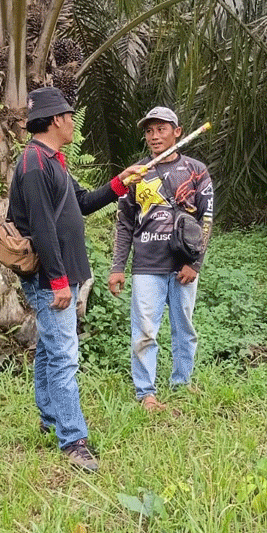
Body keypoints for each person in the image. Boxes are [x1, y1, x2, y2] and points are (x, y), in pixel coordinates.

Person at [6, 87, 142, 472]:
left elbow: (81, 203)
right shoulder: (35, 162)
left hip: (64, 274)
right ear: (55, 120)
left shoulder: (53, 160)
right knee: (64, 355)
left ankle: (50, 419)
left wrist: (120, 182)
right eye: (69, 116)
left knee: (51, 350)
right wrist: (58, 281)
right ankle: (73, 439)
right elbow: (42, 227)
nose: (72, 123)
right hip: (53, 278)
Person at [108, 106, 214, 412]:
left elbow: (207, 219)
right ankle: (147, 394)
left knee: (185, 330)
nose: (154, 136)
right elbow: (125, 223)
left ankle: (182, 383)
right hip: (146, 265)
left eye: (161, 129)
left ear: (177, 132)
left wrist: (195, 263)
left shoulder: (196, 170)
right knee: (144, 332)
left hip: (183, 265)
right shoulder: (136, 173)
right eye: (149, 131)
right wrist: (117, 267)